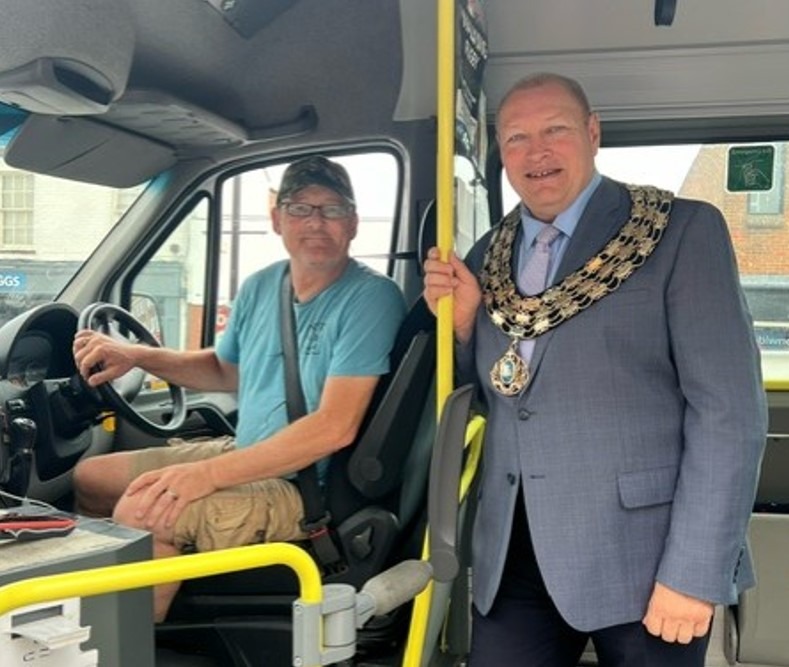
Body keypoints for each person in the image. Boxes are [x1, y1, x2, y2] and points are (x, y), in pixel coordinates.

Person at [423, 72, 767, 666]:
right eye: (516, 138)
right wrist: (463, 330)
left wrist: (693, 573)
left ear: (592, 132)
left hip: (645, 557)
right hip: (513, 556)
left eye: (555, 130)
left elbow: (729, 414)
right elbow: (495, 397)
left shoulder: (678, 230)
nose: (537, 152)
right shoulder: (485, 257)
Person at [73, 155, 407, 621]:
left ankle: (130, 642)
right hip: (250, 450)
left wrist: (205, 477)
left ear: (352, 223)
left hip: (305, 484)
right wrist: (135, 355)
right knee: (91, 478)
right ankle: (107, 612)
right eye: (300, 208)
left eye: (332, 210)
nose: (316, 222)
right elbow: (225, 370)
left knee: (143, 510)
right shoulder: (261, 286)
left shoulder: (370, 297)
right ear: (276, 218)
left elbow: (334, 428)